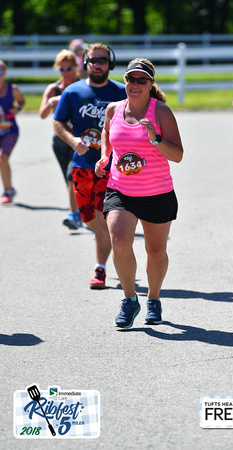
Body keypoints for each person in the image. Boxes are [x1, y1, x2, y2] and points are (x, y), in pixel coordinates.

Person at [95, 58, 184, 328]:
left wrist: (155, 139)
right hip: (121, 190)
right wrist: (104, 157)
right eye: (130, 79)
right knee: (119, 240)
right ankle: (130, 299)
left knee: (155, 251)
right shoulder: (113, 109)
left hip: (157, 192)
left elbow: (178, 155)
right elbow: (107, 135)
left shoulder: (161, 113)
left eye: (141, 80)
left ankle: (154, 299)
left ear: (150, 84)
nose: (134, 84)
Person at [53, 43, 127, 289]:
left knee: (103, 218)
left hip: (110, 167)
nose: (98, 64)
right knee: (87, 219)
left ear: (110, 63)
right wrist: (73, 141)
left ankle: (100, 268)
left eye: (103, 60)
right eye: (93, 60)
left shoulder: (121, 92)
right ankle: (109, 239)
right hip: (82, 165)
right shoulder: (73, 92)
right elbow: (58, 122)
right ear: (85, 62)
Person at [39, 49, 82, 229]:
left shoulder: (83, 86)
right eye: (62, 69)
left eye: (69, 68)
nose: (66, 72)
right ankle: (79, 211)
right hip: (60, 141)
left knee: (73, 176)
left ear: (76, 68)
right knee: (69, 179)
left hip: (80, 139)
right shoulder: (53, 88)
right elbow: (42, 114)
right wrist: (51, 102)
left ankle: (74, 215)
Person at [0, 60, 25, 204]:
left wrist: (18, 109)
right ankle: (9, 189)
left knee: (3, 157)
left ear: (5, 73)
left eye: (1, 71)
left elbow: (22, 102)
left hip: (10, 131)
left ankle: (8, 190)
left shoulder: (12, 89)